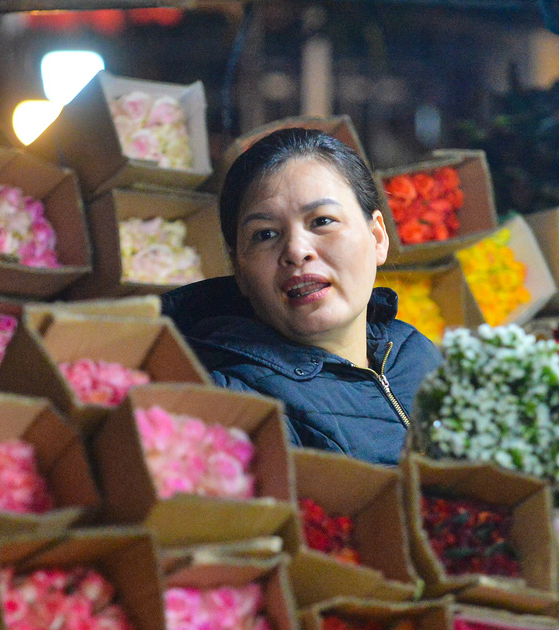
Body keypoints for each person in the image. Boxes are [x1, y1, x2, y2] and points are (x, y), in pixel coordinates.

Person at [162, 127, 442, 465]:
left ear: (377, 237)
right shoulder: (239, 406)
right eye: (265, 234)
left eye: (322, 220)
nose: (296, 251)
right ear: (239, 271)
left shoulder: (414, 350)